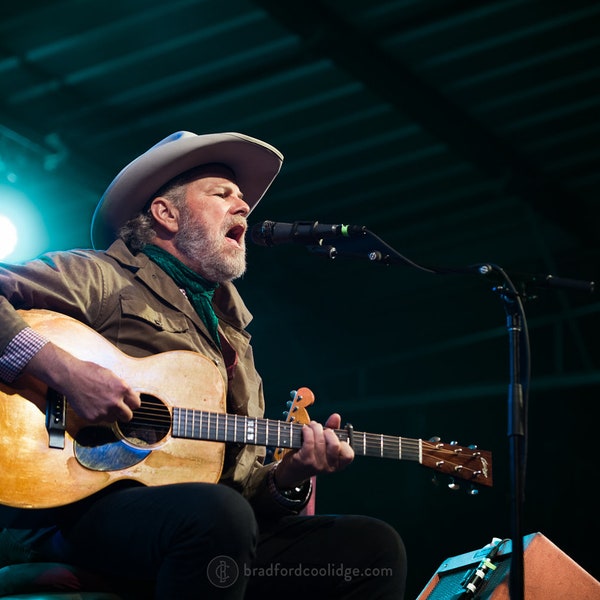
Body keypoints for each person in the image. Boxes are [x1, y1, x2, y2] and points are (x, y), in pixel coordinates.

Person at [0, 131, 406, 598]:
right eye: (222, 194)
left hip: (200, 525)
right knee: (217, 515)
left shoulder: (234, 339)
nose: (244, 208)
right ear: (165, 213)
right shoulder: (101, 275)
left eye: (242, 199)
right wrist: (64, 373)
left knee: (371, 549)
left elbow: (241, 487)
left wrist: (291, 475)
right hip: (71, 509)